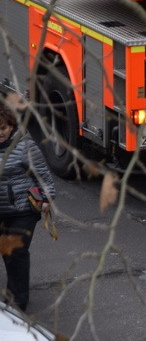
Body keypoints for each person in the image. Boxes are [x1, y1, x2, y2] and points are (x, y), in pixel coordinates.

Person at [0, 100, 55, 312]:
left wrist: (47, 200)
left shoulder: (24, 147)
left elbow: (45, 178)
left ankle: (17, 303)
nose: (0, 133)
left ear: (11, 125)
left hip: (21, 210)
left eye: (3, 128)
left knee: (15, 252)